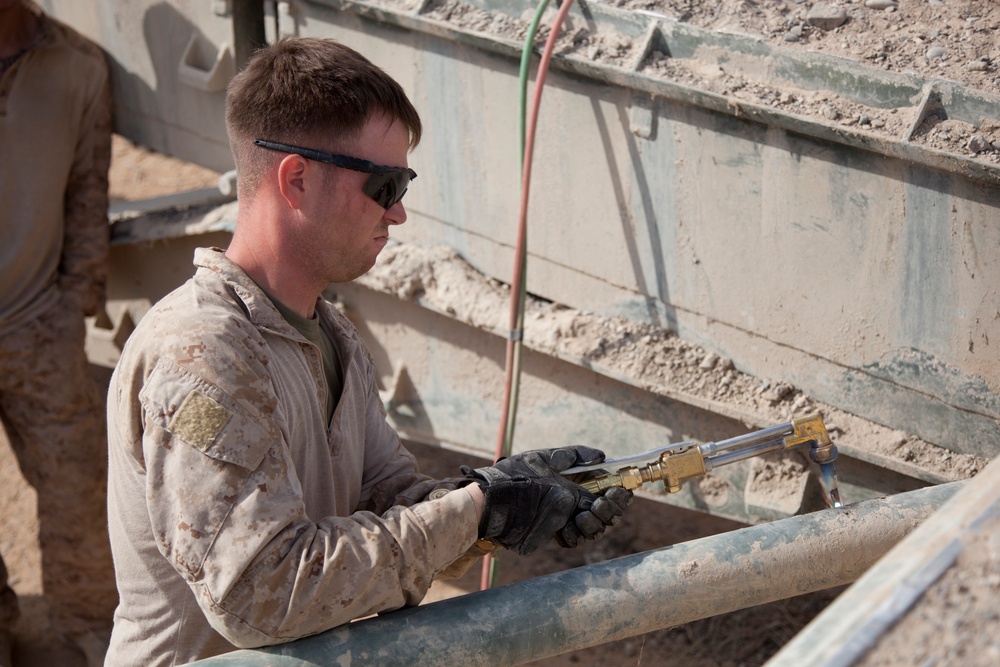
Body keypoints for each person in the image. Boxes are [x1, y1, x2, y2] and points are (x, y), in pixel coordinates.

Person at [105, 36, 633, 666]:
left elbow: (385, 501)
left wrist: (503, 501)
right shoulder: (202, 355)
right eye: (385, 185)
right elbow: (261, 591)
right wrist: (476, 512)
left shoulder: (332, 336)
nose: (401, 211)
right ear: (296, 179)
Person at [0, 1, 117, 666]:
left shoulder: (77, 68)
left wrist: (74, 306)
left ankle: (92, 627)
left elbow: (88, 193)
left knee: (77, 487)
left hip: (37, 324)